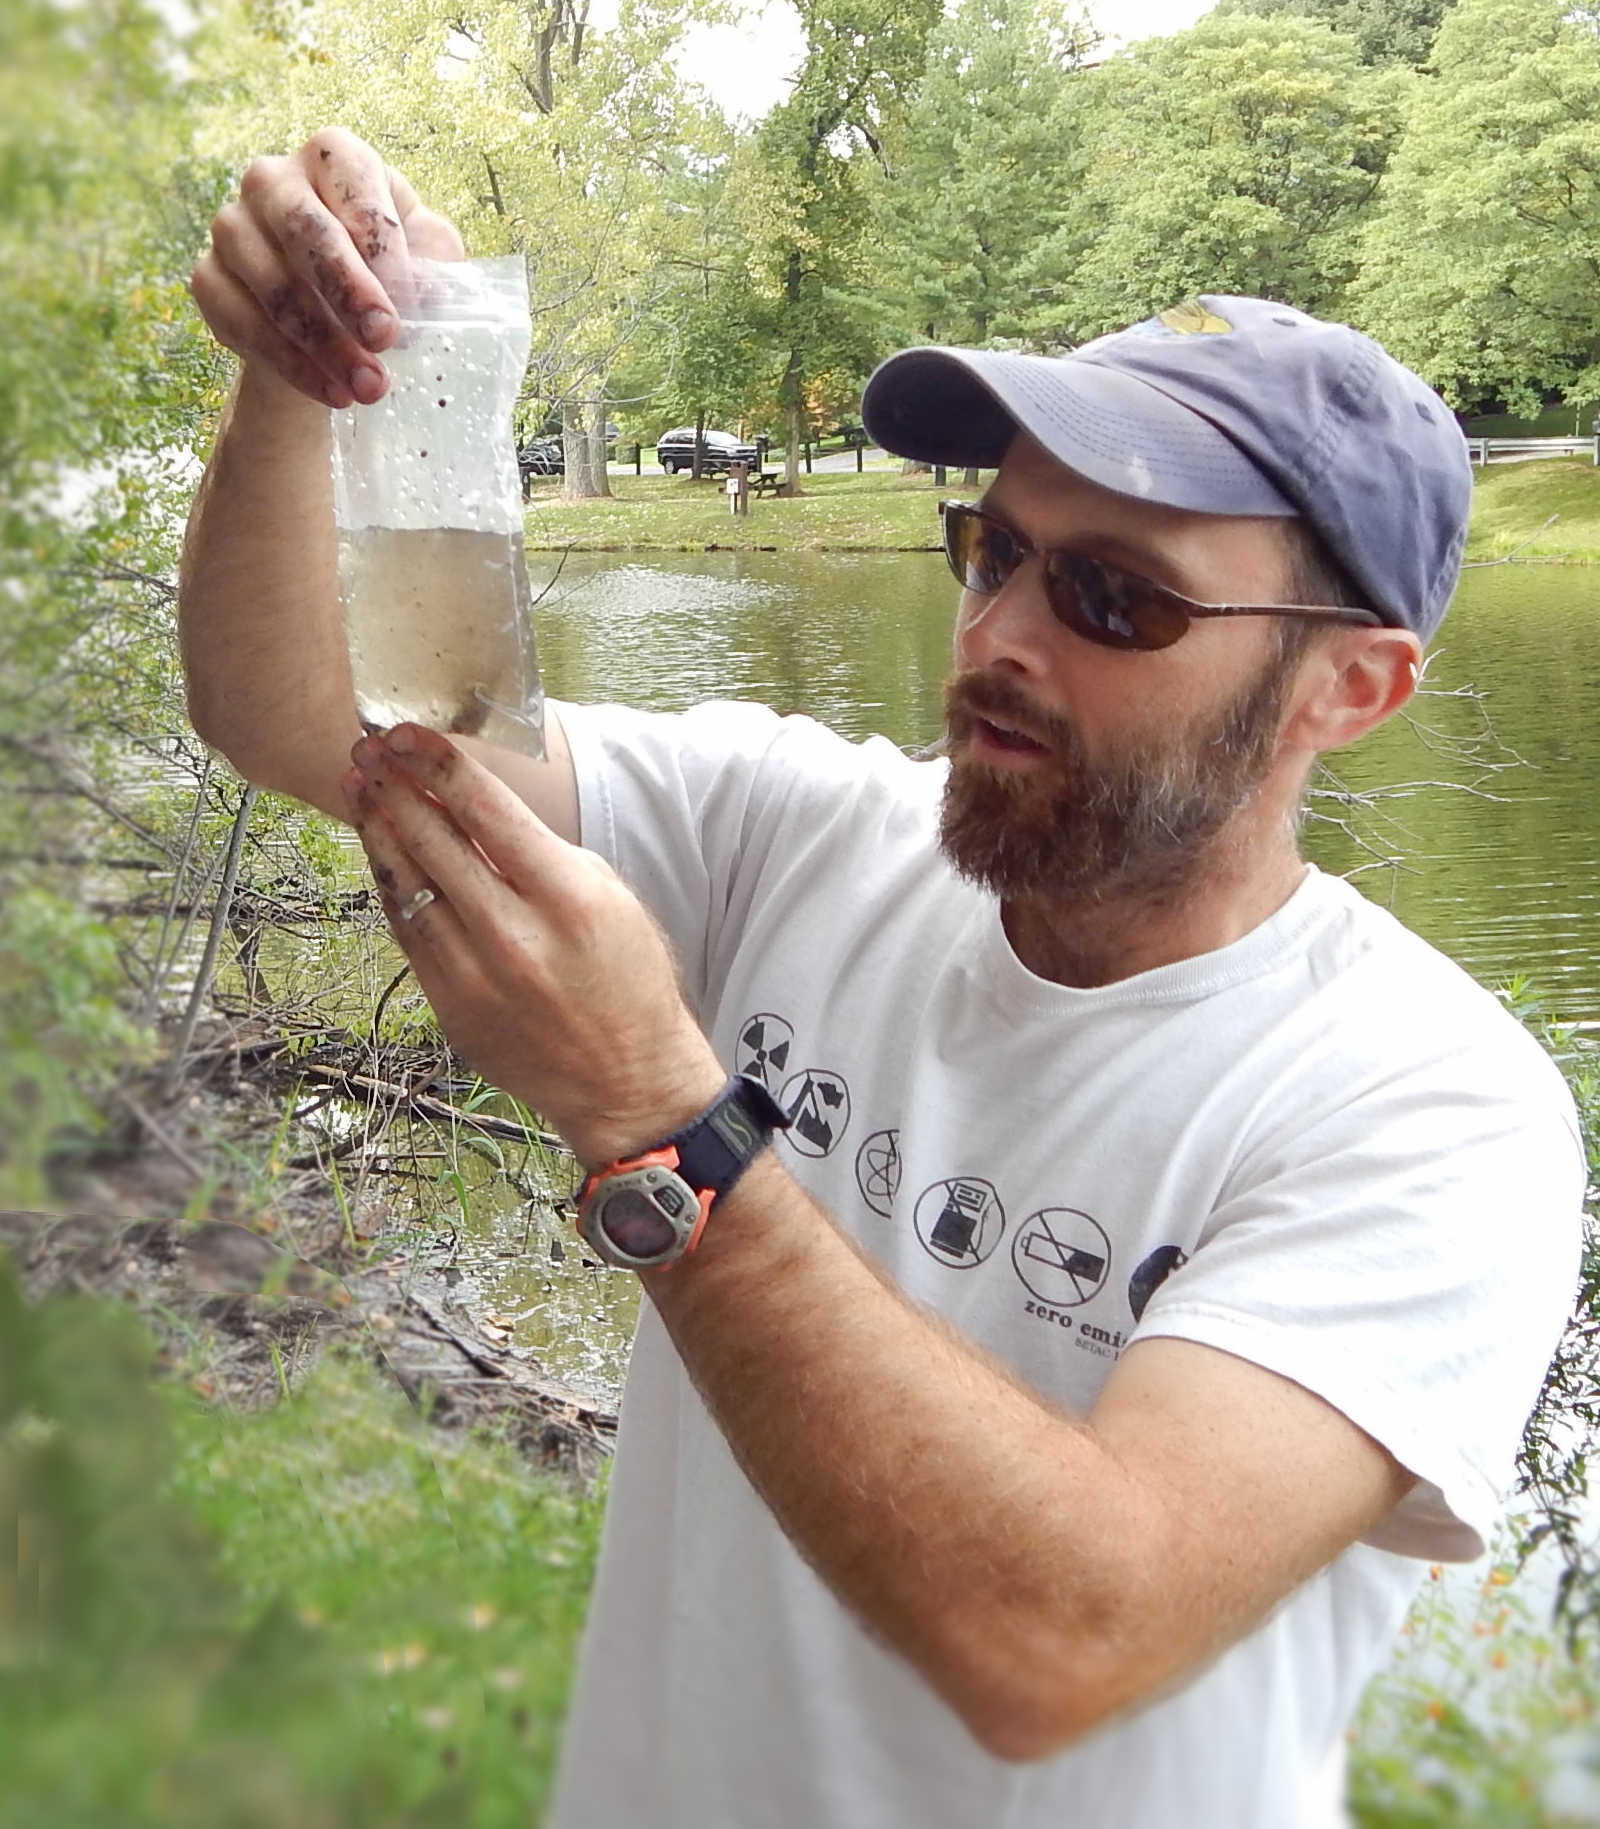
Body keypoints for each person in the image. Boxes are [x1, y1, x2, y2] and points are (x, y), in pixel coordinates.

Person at [181, 128, 1582, 1829]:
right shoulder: (800, 828)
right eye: (991, 550)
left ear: (1348, 689)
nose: (998, 635)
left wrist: (657, 1122)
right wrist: (324, 380)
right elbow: (314, 725)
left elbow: (1057, 1643)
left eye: (1113, 601)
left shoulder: (1429, 1105)